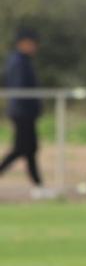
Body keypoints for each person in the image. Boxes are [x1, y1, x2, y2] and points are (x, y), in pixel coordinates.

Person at [1, 27, 48, 198]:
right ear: (24, 43)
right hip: (22, 113)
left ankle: (39, 186)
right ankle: (39, 186)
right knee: (22, 149)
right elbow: (20, 89)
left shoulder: (22, 61)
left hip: (24, 113)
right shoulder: (18, 62)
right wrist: (29, 108)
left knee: (29, 150)